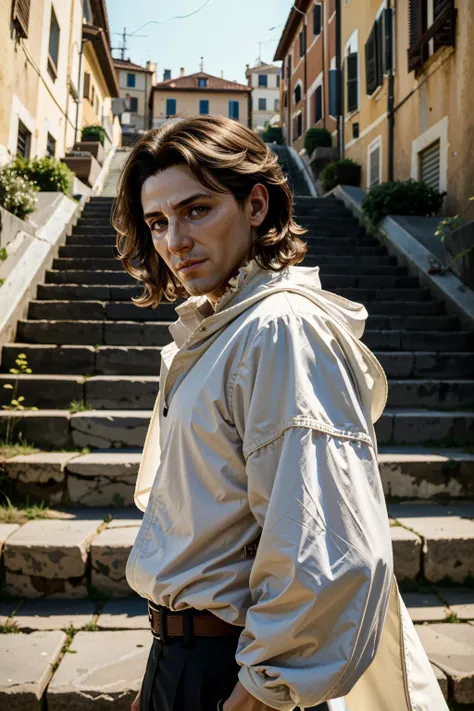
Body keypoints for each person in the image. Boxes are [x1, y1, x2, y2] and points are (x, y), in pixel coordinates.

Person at [111, 115, 448, 711]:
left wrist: (255, 695)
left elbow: (324, 546)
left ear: (257, 204)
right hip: (184, 660)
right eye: (157, 222)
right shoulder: (219, 334)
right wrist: (159, 675)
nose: (174, 241)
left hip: (231, 675)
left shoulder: (280, 329)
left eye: (196, 210)